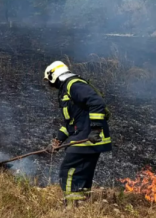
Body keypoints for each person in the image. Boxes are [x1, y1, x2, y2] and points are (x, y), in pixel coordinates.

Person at [43, 61, 112, 205]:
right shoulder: (66, 91)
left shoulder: (74, 85)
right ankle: (82, 204)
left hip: (89, 137)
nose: (50, 85)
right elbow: (71, 124)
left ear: (54, 76)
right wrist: (57, 141)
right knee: (82, 172)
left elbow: (96, 102)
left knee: (68, 171)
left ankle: (71, 207)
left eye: (49, 81)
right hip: (86, 136)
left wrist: (95, 129)